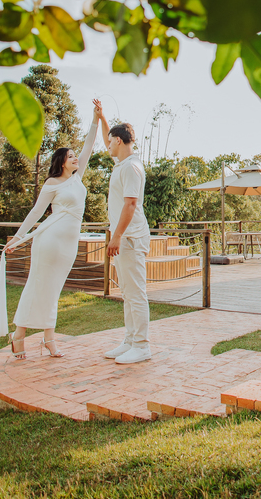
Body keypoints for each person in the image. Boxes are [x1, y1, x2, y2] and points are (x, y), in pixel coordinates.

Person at [0, 99, 102, 359]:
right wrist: (19, 239)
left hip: (68, 244)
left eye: (74, 155)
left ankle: (47, 338)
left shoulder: (77, 178)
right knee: (37, 285)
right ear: (61, 162)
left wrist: (95, 120)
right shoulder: (52, 184)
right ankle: (21, 335)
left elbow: (88, 147)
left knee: (54, 289)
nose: (75, 157)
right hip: (49, 241)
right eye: (70, 156)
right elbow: (36, 213)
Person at [99, 103, 152, 364]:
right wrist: (102, 119)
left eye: (110, 143)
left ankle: (142, 345)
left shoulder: (131, 167)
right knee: (128, 293)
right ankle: (130, 341)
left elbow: (130, 204)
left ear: (119, 141)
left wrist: (116, 236)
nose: (107, 146)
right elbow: (109, 138)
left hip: (130, 238)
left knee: (135, 293)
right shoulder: (123, 163)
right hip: (124, 237)